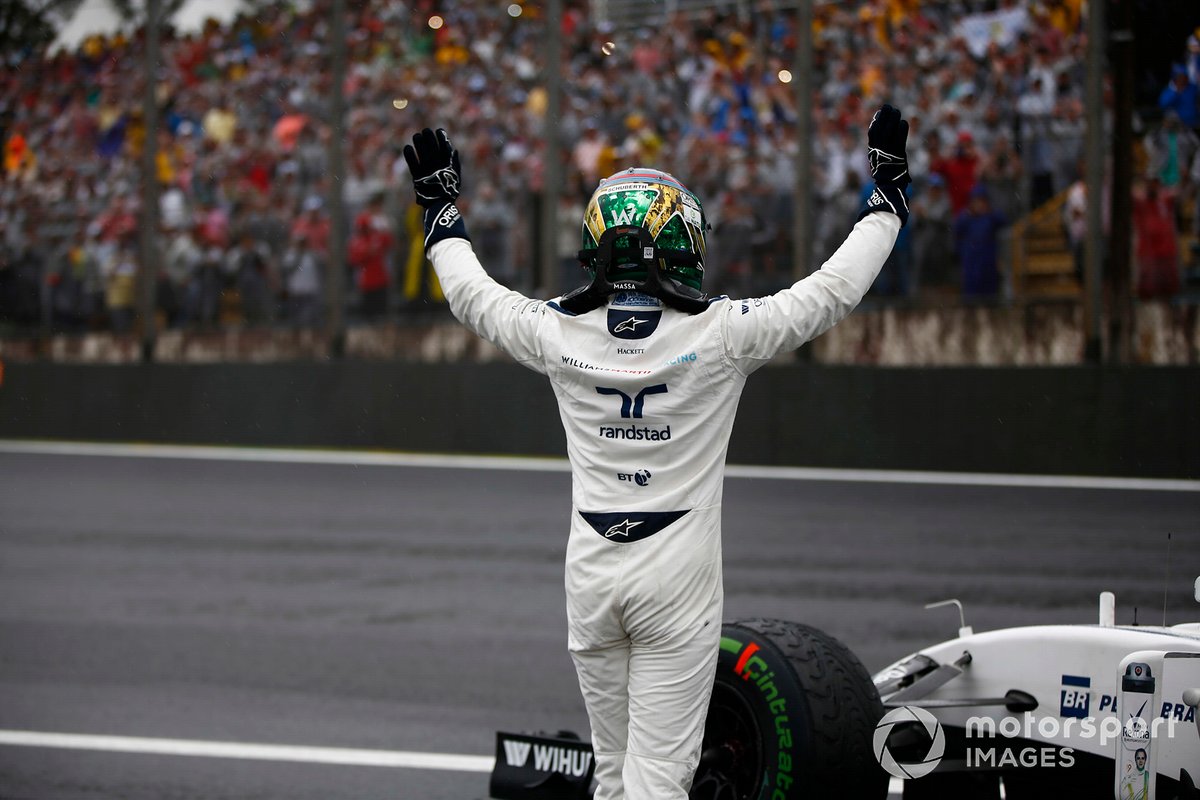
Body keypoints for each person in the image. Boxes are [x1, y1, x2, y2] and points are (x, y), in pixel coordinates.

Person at [402, 104, 909, 799]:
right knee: (658, 786)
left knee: (611, 780)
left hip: (590, 578)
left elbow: (472, 297)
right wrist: (886, 201)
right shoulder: (727, 334)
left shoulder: (555, 333)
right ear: (680, 241)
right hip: (676, 585)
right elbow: (831, 292)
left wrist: (439, 209)